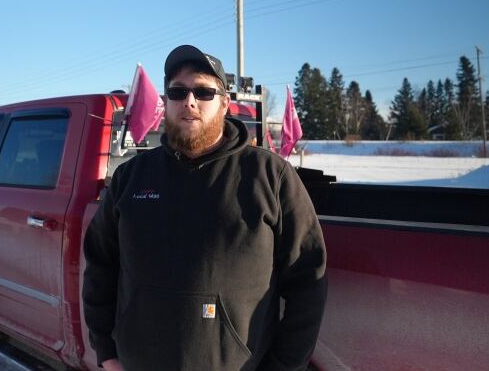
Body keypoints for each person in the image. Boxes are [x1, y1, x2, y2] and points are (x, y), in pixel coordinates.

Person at [82, 45, 327, 371]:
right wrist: (107, 351)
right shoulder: (132, 176)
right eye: (178, 91)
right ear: (166, 101)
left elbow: (308, 282)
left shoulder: (270, 176)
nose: (190, 101)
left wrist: (283, 366)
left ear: (225, 103)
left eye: (204, 92)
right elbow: (101, 266)